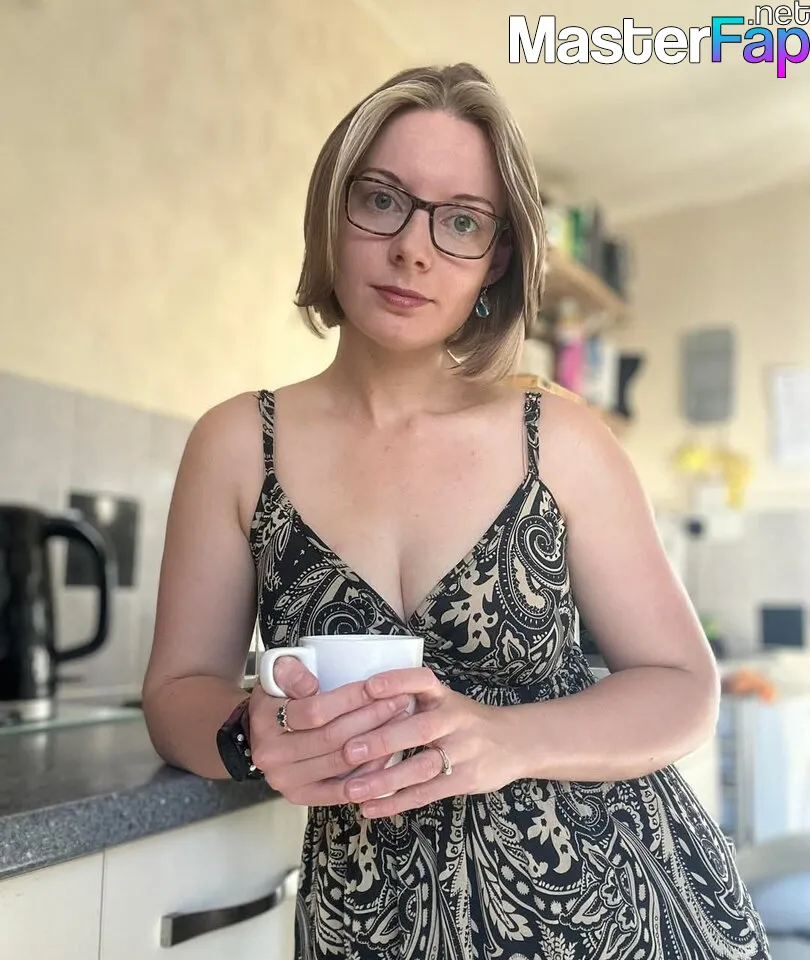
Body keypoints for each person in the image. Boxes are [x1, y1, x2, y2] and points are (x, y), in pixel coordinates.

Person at [142, 63, 770, 959]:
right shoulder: (240, 444)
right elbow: (175, 692)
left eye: (462, 221)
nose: (414, 249)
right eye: (382, 200)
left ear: (496, 259)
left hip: (621, 913)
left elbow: (683, 687)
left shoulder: (558, 438)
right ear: (332, 213)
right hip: (372, 925)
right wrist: (250, 734)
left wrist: (506, 739)